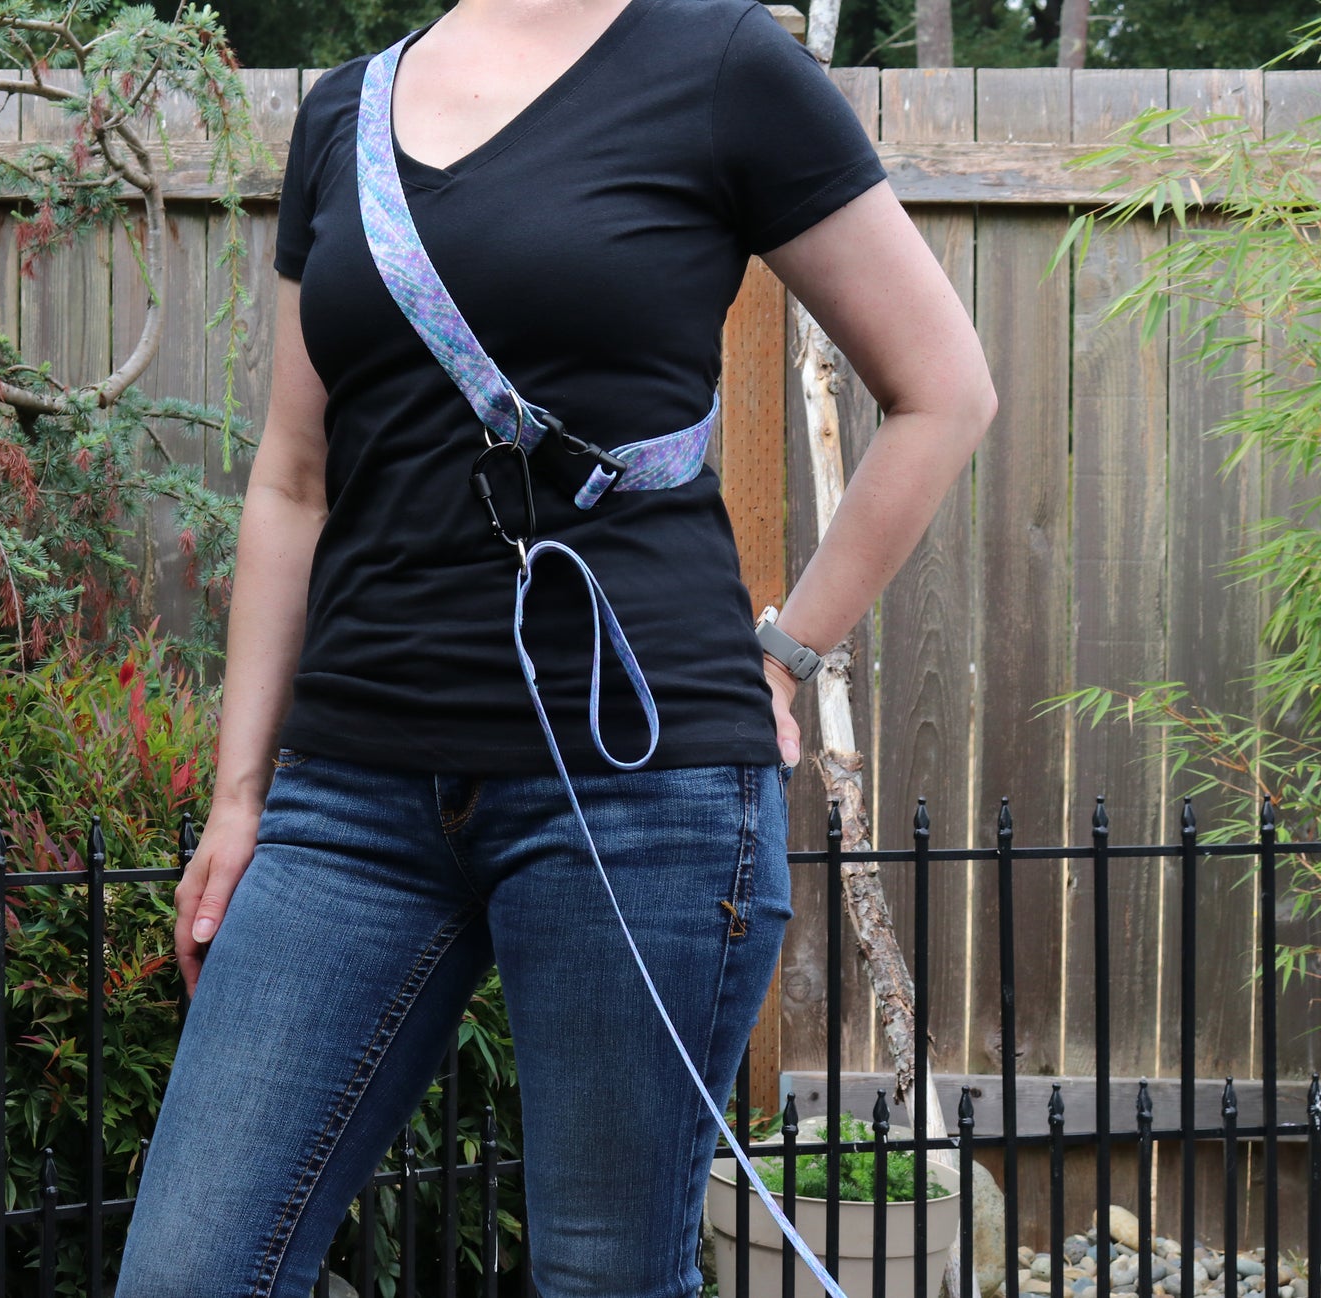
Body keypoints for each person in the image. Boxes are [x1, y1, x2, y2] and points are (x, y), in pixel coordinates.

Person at [117, 0, 994, 1293]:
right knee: (190, 1271)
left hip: (641, 795)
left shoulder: (722, 66)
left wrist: (786, 651)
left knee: (604, 1275)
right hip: (349, 795)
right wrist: (240, 794)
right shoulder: (343, 115)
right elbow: (292, 479)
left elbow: (945, 389)